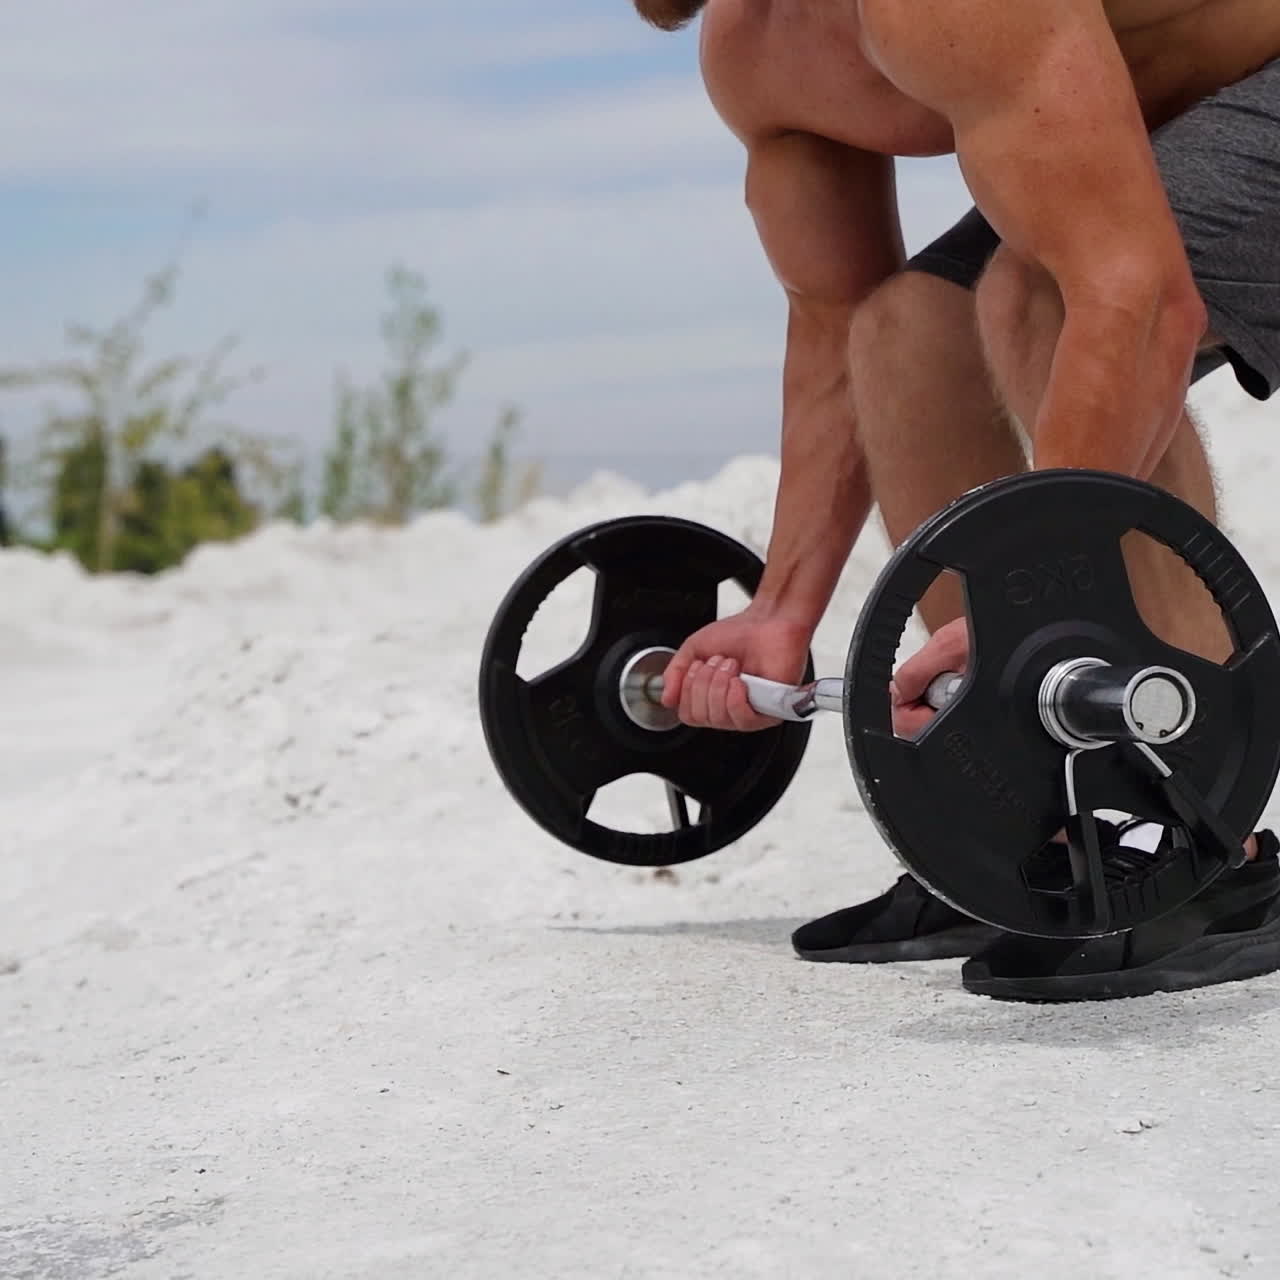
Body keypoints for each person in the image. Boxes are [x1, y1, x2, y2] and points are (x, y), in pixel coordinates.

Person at [638, 0, 1280, 1000]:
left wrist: (1038, 594)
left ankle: (1202, 835)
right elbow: (834, 321)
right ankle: (1036, 816)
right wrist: (779, 611)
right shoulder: (754, 51)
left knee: (1046, 294)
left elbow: (1140, 297)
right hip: (1175, 117)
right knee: (906, 328)